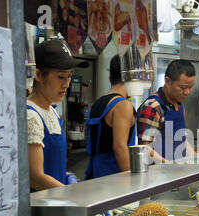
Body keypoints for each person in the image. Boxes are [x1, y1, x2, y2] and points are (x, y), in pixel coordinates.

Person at [27, 39, 88, 192]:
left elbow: (54, 167)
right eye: (61, 77)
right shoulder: (30, 116)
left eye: (69, 76)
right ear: (38, 75)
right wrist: (73, 196)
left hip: (56, 205)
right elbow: (35, 177)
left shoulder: (52, 111)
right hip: (40, 211)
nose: (67, 84)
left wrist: (67, 176)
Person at [85, 54, 136, 179]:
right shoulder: (123, 105)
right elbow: (119, 147)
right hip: (115, 178)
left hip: (95, 175)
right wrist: (135, 183)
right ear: (130, 76)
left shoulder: (96, 104)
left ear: (110, 78)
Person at [137, 59, 196, 162]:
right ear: (168, 81)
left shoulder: (179, 105)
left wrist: (196, 158)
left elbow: (181, 139)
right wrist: (168, 165)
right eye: (183, 87)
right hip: (159, 174)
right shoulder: (153, 107)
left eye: (190, 87)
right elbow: (145, 148)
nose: (187, 92)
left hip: (178, 171)